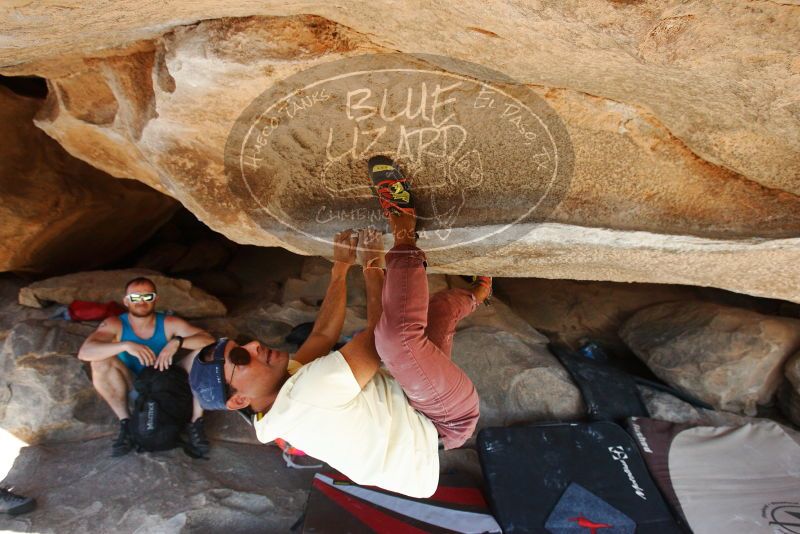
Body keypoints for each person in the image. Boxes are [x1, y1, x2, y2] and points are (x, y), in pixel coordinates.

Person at [189, 157, 490, 497]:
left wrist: (339, 269)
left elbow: (321, 336)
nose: (254, 346)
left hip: (409, 406)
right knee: (398, 341)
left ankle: (482, 291)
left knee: (440, 310)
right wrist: (372, 266)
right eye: (241, 360)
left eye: (241, 344)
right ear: (238, 400)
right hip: (443, 419)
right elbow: (379, 336)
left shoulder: (273, 403)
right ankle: (404, 221)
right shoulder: (305, 399)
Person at [78, 277, 215, 457]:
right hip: (132, 385)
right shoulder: (115, 323)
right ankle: (126, 423)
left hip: (165, 382)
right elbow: (85, 352)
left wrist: (177, 342)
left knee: (205, 355)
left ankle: (195, 423)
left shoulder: (168, 322)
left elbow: (209, 341)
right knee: (100, 361)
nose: (142, 302)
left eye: (148, 297)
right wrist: (125, 345)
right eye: (135, 297)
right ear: (126, 301)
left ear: (156, 299)